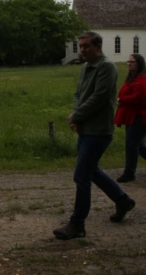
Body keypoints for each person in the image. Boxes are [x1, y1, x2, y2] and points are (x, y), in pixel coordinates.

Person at [53, 32, 136, 240]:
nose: (82, 50)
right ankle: (122, 200)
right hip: (86, 127)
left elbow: (99, 98)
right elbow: (79, 94)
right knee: (91, 170)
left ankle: (77, 224)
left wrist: (76, 116)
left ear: (98, 47)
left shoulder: (106, 66)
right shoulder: (84, 67)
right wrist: (76, 119)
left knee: (82, 175)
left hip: (99, 130)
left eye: (86, 46)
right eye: (80, 46)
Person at [114, 54, 146, 183]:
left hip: (142, 117)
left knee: (132, 145)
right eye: (128, 61)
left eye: (132, 62)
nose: (129, 64)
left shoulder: (143, 79)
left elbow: (138, 97)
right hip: (132, 116)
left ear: (139, 64)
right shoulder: (131, 78)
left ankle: (129, 173)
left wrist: (121, 100)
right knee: (137, 143)